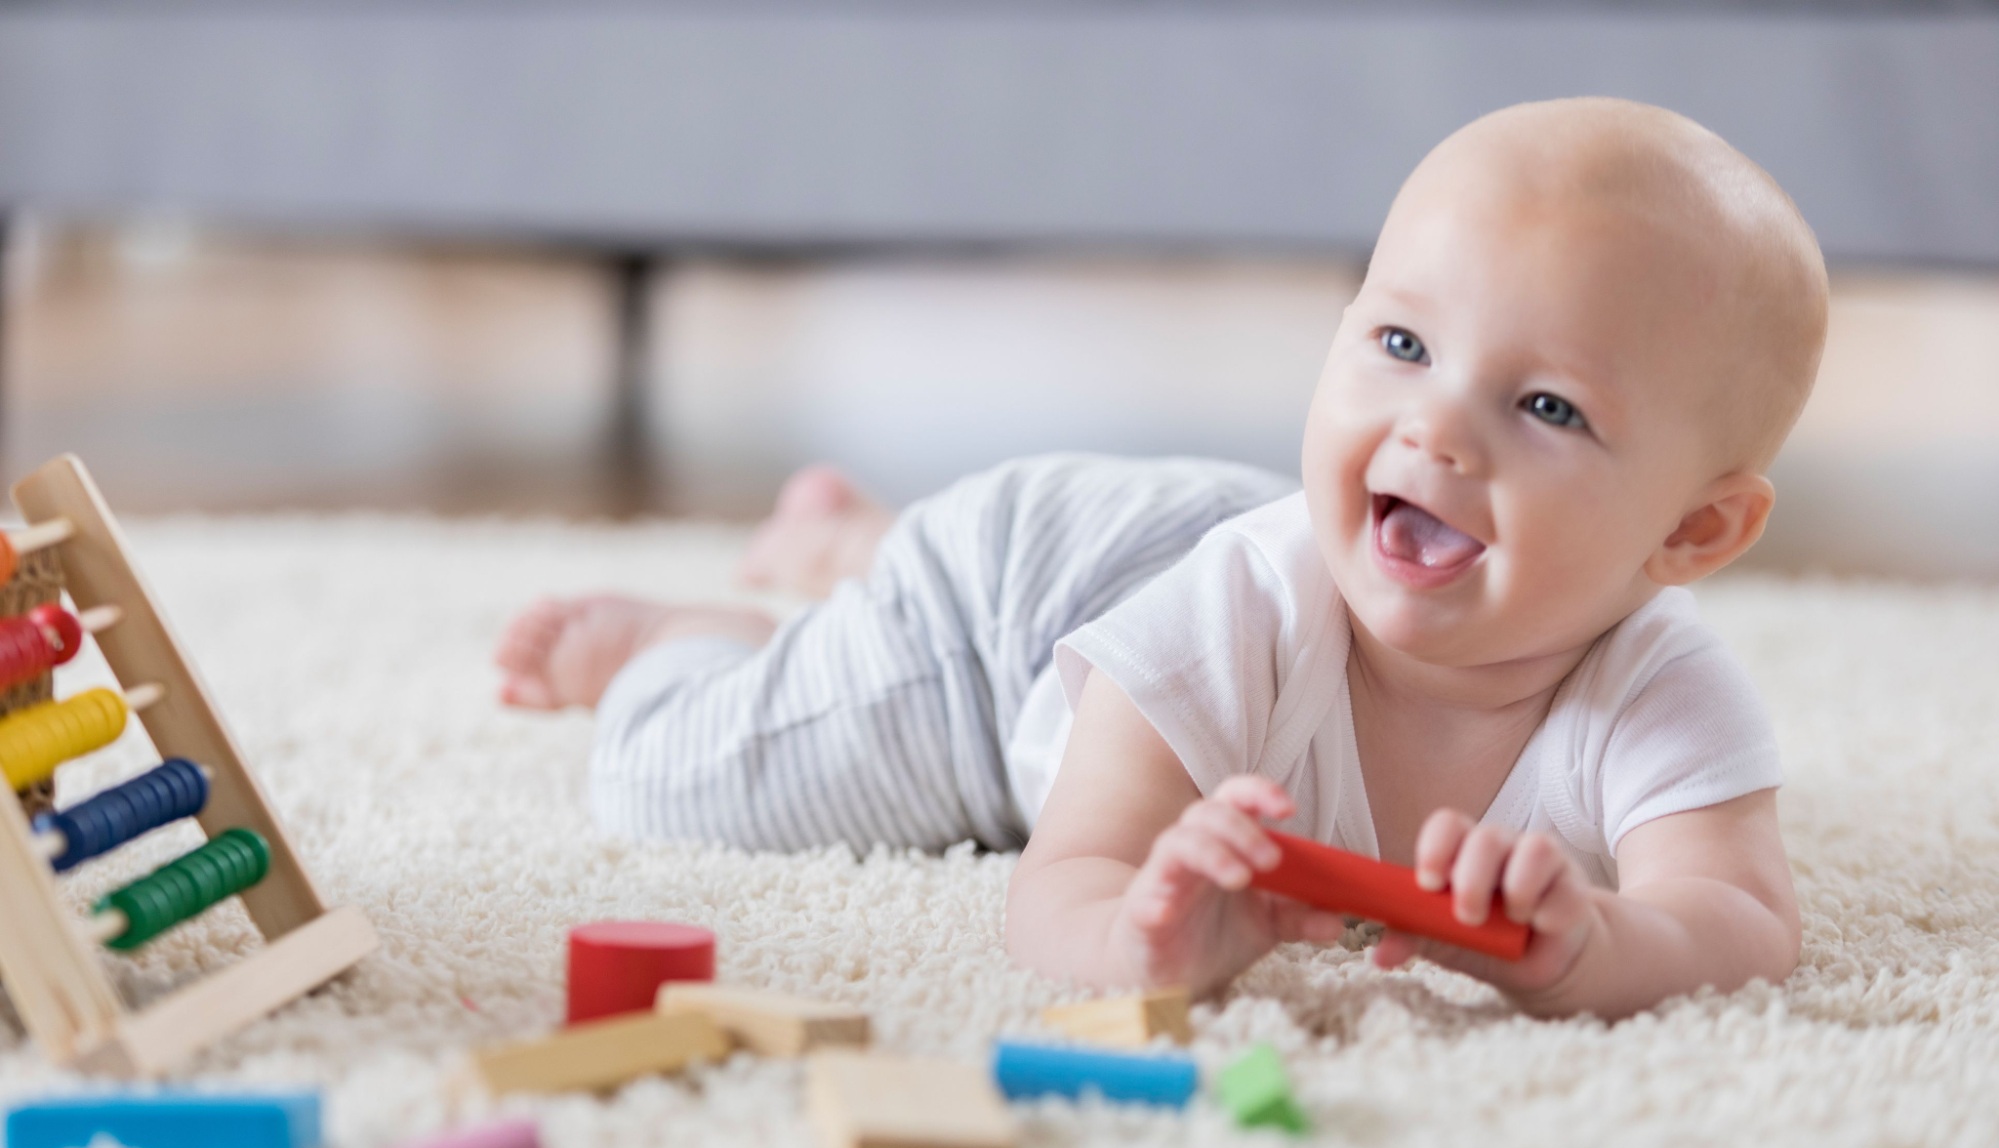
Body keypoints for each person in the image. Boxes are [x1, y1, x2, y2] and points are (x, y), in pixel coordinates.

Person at [495, 98, 1828, 1018]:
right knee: (678, 782)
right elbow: (1059, 881)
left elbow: (1741, 920)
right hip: (1008, 622)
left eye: (1547, 408)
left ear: (1692, 532)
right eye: (1401, 346)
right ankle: (694, 633)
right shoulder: (1237, 613)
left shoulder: (1659, 688)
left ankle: (856, 540)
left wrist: (1600, 949)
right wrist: (1143, 938)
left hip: (1201, 535)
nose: (1432, 428)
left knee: (1291, 530)